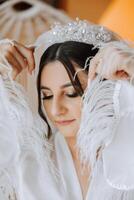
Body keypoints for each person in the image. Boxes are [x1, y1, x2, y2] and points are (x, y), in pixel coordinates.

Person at [0, 19, 134, 200]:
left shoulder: (128, 153)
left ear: (104, 87)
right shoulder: (25, 167)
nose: (55, 110)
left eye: (71, 93)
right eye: (46, 96)